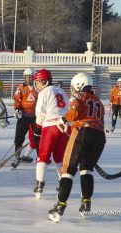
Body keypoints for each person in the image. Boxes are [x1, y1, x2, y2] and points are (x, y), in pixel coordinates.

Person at [48, 73, 106, 222]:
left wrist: (63, 119)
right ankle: (86, 203)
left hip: (82, 133)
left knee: (68, 170)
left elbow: (74, 113)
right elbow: (94, 118)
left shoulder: (79, 97)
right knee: (86, 169)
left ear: (79, 85)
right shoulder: (98, 100)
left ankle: (60, 205)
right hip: (99, 137)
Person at [33, 69, 69, 199]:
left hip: (50, 125)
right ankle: (62, 183)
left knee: (43, 156)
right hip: (64, 126)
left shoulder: (44, 92)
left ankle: (39, 185)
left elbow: (40, 113)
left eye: (38, 82)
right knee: (60, 157)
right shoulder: (61, 91)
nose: (36, 85)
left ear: (44, 81)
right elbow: (68, 109)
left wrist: (37, 130)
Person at [11, 68, 39, 169]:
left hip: (36, 116)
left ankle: (40, 158)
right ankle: (17, 157)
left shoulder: (39, 88)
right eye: (26, 77)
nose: (28, 79)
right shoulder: (21, 88)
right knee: (19, 137)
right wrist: (17, 110)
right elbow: (17, 99)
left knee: (38, 137)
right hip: (24, 116)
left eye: (30, 77)